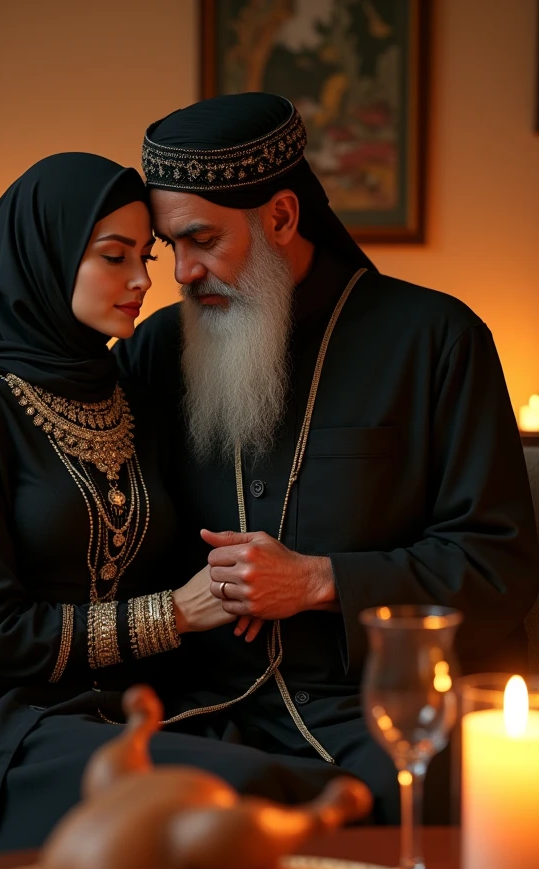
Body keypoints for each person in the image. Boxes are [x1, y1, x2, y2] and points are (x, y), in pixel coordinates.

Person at [0, 153, 349, 869]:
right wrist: (175, 613)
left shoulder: (126, 391)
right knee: (237, 798)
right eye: (114, 257)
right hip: (0, 728)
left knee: (296, 784)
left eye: (144, 256)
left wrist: (245, 585)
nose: (147, 280)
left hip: (125, 709)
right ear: (45, 256)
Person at [114, 93, 539, 824]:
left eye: (204, 241)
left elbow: (498, 564)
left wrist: (319, 580)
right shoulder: (156, 353)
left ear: (280, 217)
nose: (180, 273)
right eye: (169, 246)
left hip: (378, 712)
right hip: (207, 716)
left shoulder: (435, 339)